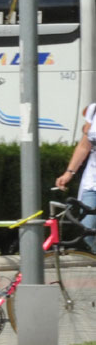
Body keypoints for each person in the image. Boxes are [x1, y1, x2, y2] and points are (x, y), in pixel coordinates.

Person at [55, 104, 96, 248]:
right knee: (87, 230)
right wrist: (69, 172)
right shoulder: (93, 110)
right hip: (92, 182)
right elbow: (84, 146)